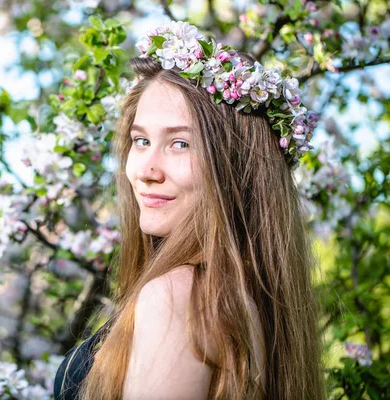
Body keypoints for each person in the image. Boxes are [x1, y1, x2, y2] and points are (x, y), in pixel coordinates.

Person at [54, 22, 325, 400]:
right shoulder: (238, 299)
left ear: (236, 166)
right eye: (142, 140)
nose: (146, 170)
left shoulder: (178, 297)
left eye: (180, 143)